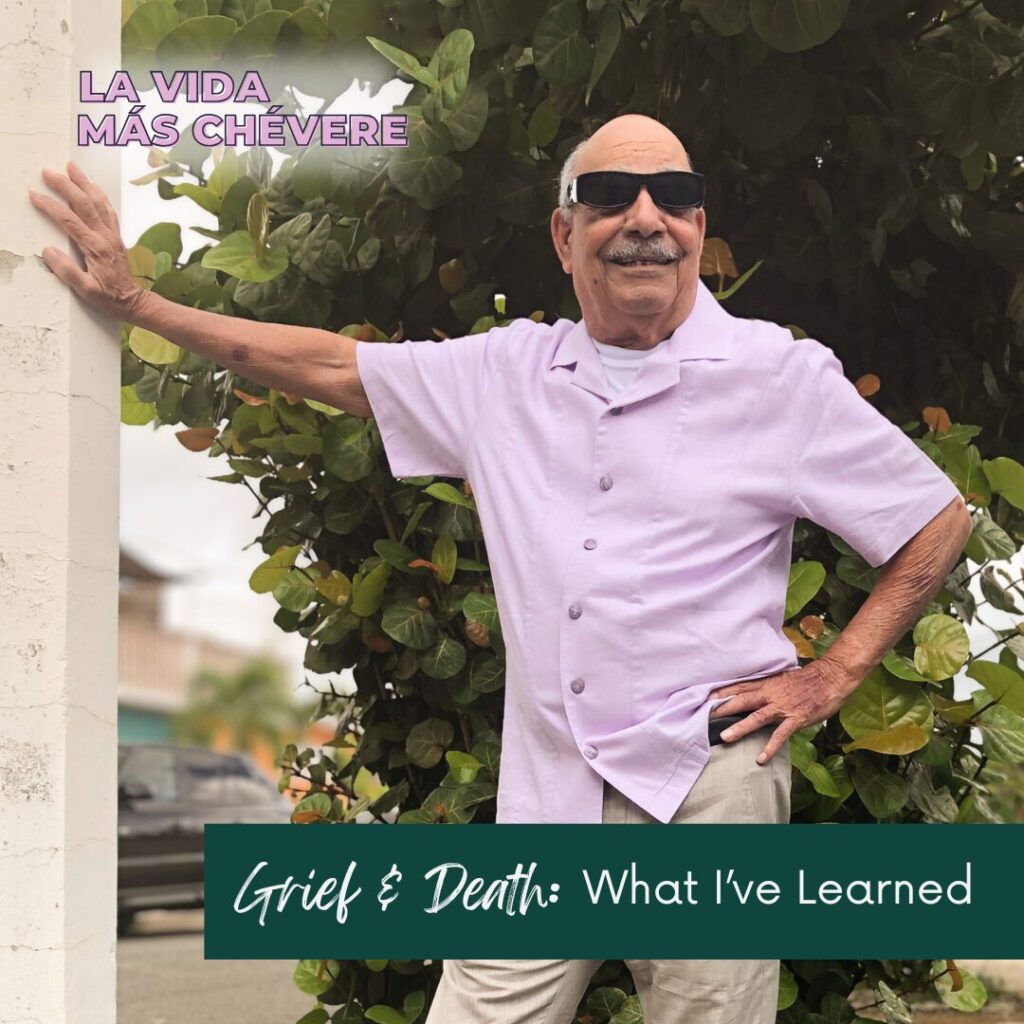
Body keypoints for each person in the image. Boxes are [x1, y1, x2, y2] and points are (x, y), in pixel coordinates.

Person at [28, 113, 972, 1024]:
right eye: (610, 196)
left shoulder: (780, 378)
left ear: (698, 231)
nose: (644, 218)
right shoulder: (503, 377)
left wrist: (832, 677)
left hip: (708, 785)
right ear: (565, 237)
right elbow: (332, 367)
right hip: (549, 796)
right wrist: (140, 305)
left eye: (672, 197)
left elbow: (932, 517)